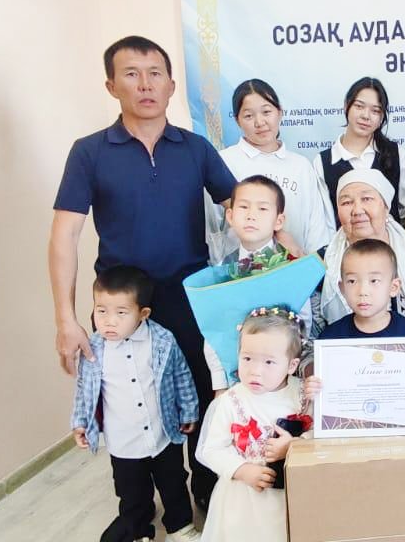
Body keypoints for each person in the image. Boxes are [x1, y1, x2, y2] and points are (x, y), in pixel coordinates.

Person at [51, 35, 234, 506]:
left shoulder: (195, 148)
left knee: (200, 397)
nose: (145, 84)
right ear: (112, 86)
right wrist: (66, 319)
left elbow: (242, 205)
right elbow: (64, 237)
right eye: (131, 74)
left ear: (171, 85)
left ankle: (205, 494)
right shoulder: (89, 151)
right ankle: (135, 510)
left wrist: (281, 244)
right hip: (120, 305)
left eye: (155, 74)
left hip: (190, 299)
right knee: (128, 407)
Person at [71, 266, 201, 542]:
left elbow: (181, 375)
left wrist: (189, 410)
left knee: (173, 482)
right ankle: (139, 529)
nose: (109, 321)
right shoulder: (93, 349)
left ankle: (180, 526)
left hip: (162, 432)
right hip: (123, 441)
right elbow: (85, 390)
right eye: (101, 311)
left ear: (143, 314)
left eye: (121, 313)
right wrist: (80, 422)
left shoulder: (162, 340)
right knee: (131, 490)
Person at [313, 169, 405, 374]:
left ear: (386, 206)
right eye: (346, 202)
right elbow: (313, 334)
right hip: (346, 372)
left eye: (367, 199)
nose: (357, 210)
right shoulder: (322, 262)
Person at [197, 307, 311, 542]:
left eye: (269, 362)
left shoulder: (302, 395)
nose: (256, 371)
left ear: (291, 365)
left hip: (290, 493)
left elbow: (319, 435)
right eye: (247, 358)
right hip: (243, 496)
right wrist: (241, 470)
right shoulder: (231, 400)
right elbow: (211, 449)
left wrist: (295, 445)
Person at [202, 175, 313, 392]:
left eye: (262, 209)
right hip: (236, 382)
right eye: (244, 207)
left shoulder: (290, 268)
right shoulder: (223, 269)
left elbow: (304, 324)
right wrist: (220, 385)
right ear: (230, 216)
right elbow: (214, 328)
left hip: (283, 382)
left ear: (278, 221)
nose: (251, 215)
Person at [316, 238, 405, 409]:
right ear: (342, 288)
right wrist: (314, 392)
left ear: (394, 287)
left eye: (374, 281)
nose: (363, 291)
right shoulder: (330, 339)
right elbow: (329, 399)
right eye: (352, 281)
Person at [206, 79, 332, 265]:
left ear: (280, 112)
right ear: (237, 120)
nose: (260, 122)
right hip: (239, 274)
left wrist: (312, 267)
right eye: (249, 116)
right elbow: (212, 227)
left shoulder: (300, 166)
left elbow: (316, 228)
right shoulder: (223, 161)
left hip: (293, 269)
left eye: (266, 112)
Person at [313, 77, 405, 227]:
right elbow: (325, 220)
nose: (366, 116)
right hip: (344, 241)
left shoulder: (395, 153)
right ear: (346, 106)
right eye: (359, 106)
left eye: (375, 110)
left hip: (390, 240)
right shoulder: (323, 162)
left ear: (382, 117)